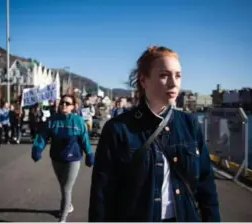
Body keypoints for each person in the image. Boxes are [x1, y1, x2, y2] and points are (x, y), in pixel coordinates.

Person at [89, 45, 220, 222]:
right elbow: (102, 195)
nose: (174, 83)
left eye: (178, 75)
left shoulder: (190, 124)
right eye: (164, 75)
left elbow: (206, 186)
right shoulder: (118, 129)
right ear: (144, 80)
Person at [31, 94, 95, 222]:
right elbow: (43, 136)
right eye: (62, 103)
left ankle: (63, 218)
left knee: (66, 188)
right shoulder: (52, 121)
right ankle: (68, 205)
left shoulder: (78, 121)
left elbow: (84, 139)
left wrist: (89, 154)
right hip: (57, 158)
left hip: (73, 159)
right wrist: (37, 149)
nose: (64, 105)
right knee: (63, 186)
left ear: (73, 106)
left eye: (67, 103)